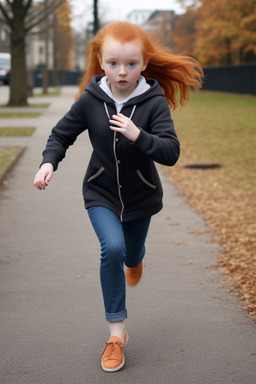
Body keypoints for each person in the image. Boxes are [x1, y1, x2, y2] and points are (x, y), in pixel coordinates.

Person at [34, 21, 203, 372]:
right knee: (111, 248)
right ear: (100, 62)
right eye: (113, 63)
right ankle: (116, 334)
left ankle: (136, 258)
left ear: (143, 63)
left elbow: (170, 152)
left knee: (131, 252)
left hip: (142, 196)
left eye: (130, 64)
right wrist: (48, 163)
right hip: (101, 192)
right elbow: (60, 135)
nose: (121, 72)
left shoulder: (153, 102)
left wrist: (138, 134)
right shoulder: (91, 99)